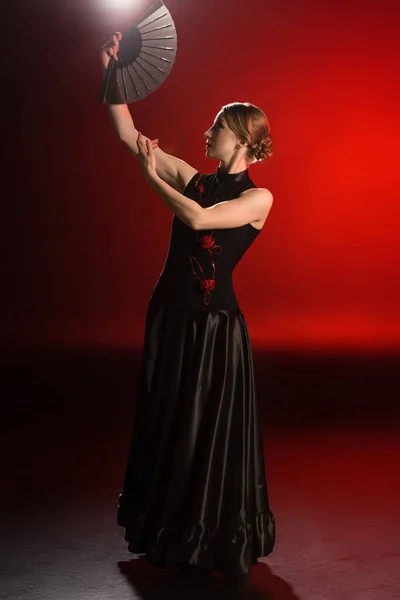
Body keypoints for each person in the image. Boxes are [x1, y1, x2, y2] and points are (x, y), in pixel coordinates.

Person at [101, 32, 276, 576]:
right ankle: (165, 527)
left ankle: (208, 535)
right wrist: (110, 72)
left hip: (214, 329)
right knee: (169, 421)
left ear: (243, 137)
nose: (208, 132)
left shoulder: (257, 198)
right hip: (171, 318)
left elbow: (197, 220)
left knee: (205, 431)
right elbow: (129, 134)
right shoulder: (196, 179)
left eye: (218, 128)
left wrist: (153, 178)